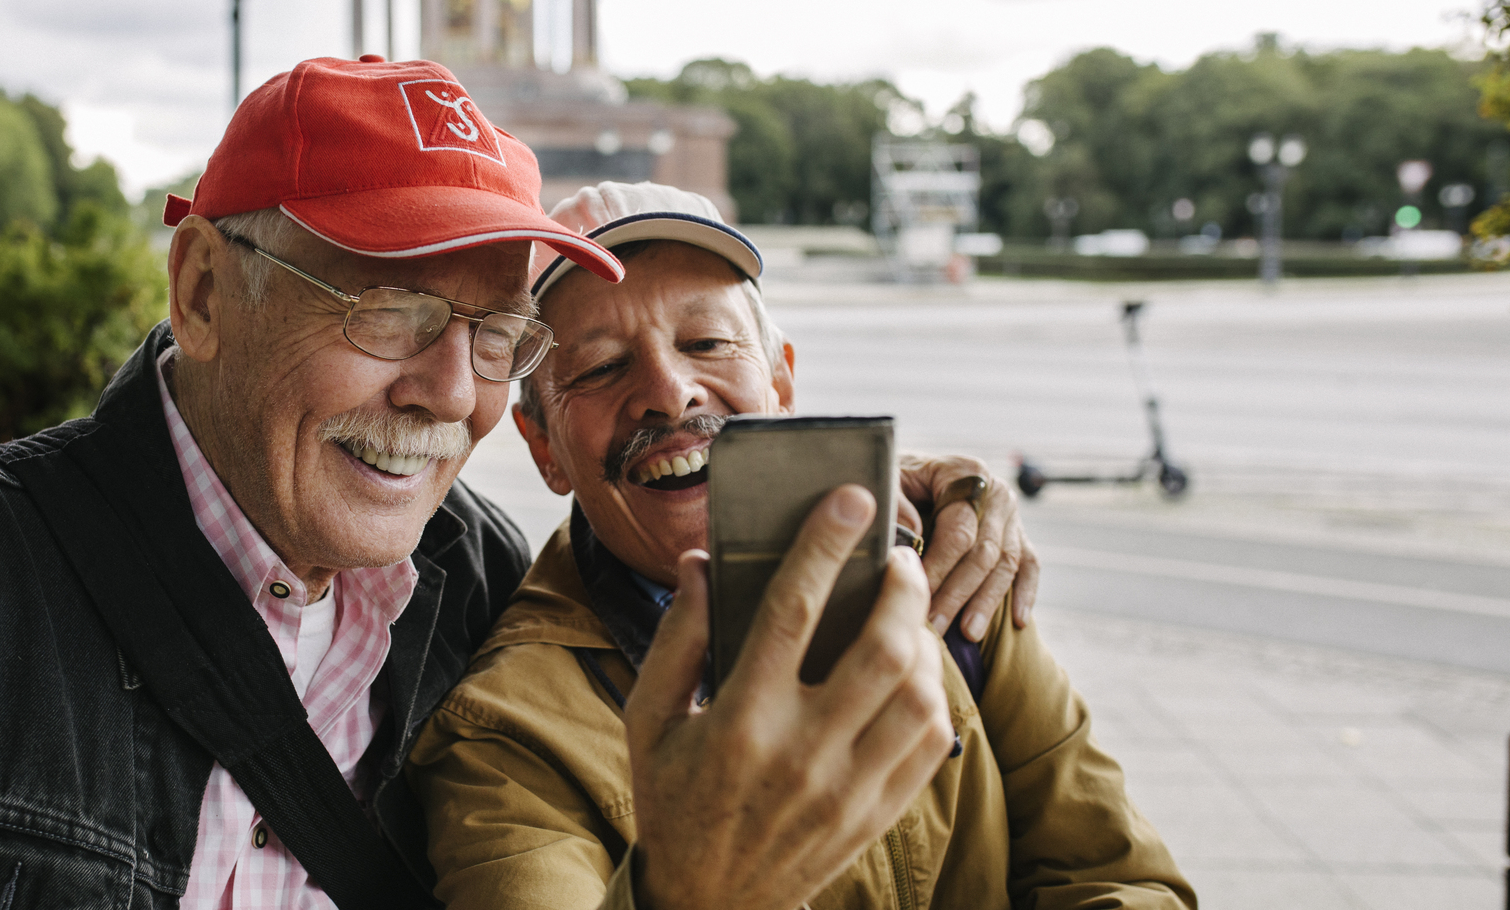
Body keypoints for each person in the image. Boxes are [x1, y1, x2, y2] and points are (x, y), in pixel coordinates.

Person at [0, 62, 1029, 910]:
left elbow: (661, 520)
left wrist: (928, 495)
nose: (447, 392)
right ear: (206, 289)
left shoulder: (482, 598)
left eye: (491, 332)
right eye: (390, 311)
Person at [406, 181, 1196, 910]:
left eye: (709, 344)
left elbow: (1118, 878)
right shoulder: (504, 735)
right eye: (603, 366)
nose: (668, 390)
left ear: (781, 384)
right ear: (543, 447)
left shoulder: (943, 572)